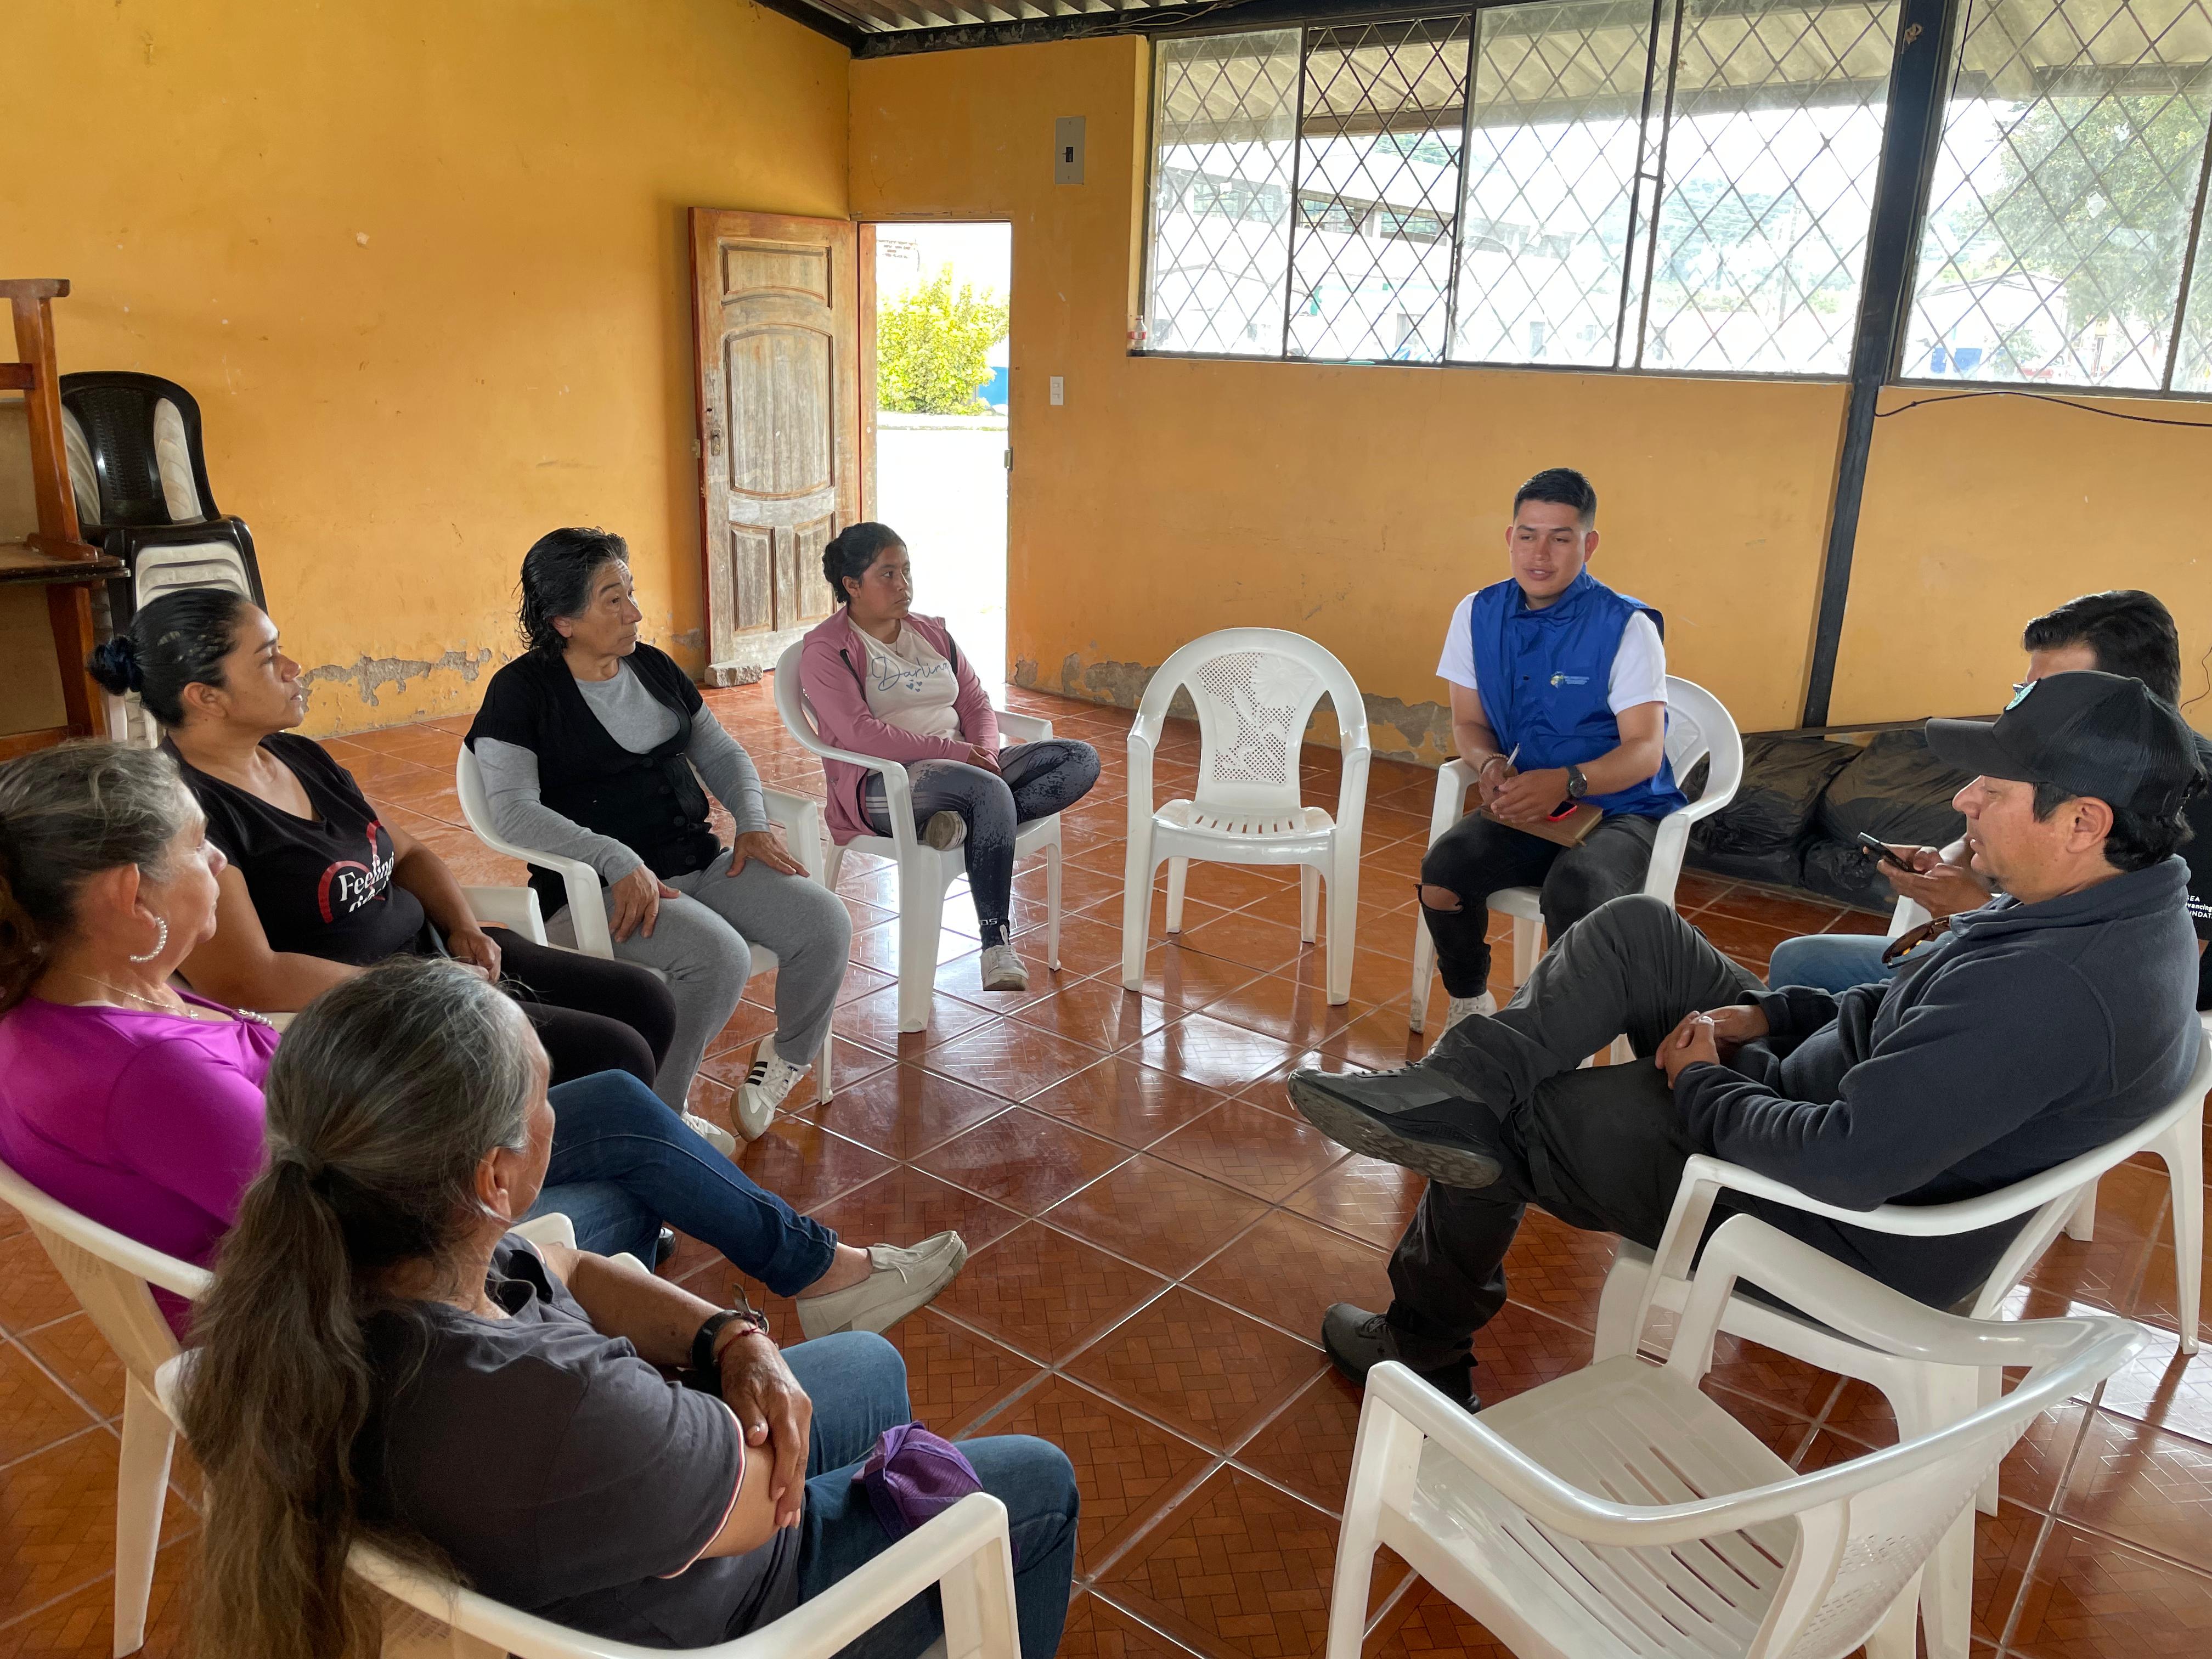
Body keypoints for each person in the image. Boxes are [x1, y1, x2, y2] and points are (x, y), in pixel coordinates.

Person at [1284, 672, 2203, 1410]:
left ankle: (1423, 1346)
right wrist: (1769, 1013)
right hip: (1810, 1095)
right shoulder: (2103, 904)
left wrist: (1701, 1085)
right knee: (1637, 931)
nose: (1963, 799)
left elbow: (1842, 1162)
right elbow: (1904, 1005)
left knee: (1514, 1122)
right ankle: (1459, 1081)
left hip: (1816, 1213)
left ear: (2083, 822)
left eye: (1993, 791)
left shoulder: (2053, 989)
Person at [176, 960, 1077, 1659]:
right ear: (493, 1177)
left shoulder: (345, 1266)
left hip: (597, 1558)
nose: (556, 1114)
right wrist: (720, 1389)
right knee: (1035, 1485)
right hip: (723, 1615)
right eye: (542, 1097)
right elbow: (760, 1506)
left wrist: (730, 1337)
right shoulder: (552, 1400)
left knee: (869, 1366)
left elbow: (569, 1259)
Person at [0, 742, 966, 1342]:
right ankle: (697, 1344)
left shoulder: (90, 996)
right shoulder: (146, 1071)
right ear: (128, 895)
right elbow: (346, 1236)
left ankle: (813, 1273)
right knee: (636, 1195)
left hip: (348, 1201)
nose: (218, 862)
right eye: (196, 848)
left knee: (620, 1107)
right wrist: (473, 1152)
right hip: (342, 1311)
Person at [86, 588, 679, 1092]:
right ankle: (562, 1164)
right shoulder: (187, 816)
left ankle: (627, 1138)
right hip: (372, 1016)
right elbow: (247, 977)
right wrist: (417, 986)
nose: (293, 667)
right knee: (613, 1052)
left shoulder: (297, 757)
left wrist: (463, 927)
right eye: (268, 659)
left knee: (644, 1000)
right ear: (206, 697)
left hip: (434, 958)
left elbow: (409, 852)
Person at [467, 528, 855, 1145]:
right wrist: (614, 858)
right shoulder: (521, 693)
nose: (635, 613)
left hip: (696, 862)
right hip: (598, 894)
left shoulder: (650, 666)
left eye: (631, 593)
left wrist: (752, 821)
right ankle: (660, 1119)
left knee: (824, 922)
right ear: (564, 621)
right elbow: (512, 812)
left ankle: (784, 1059)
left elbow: (721, 753)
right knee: (719, 959)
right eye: (613, 600)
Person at [1767, 590, 2212, 1009]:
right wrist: (1948, 866)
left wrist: (1971, 910)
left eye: (2051, 694)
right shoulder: (2051, 750)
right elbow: (1975, 839)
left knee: (1811, 979)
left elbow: (2151, 978)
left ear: (2128, 701)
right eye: (2025, 691)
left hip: (2050, 982)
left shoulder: (2188, 795)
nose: (2027, 709)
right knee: (1803, 969)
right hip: (2005, 937)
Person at [1419, 467, 1685, 1032]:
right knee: (1443, 876)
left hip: (1621, 807)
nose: (1540, 554)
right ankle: (1471, 1004)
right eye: (1528, 535)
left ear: (1589, 544)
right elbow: (1468, 723)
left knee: (1576, 891)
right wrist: (1490, 763)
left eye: (1560, 538)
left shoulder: (1627, 626)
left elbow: (1645, 750)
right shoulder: (1477, 613)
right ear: (1510, 537)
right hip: (1530, 800)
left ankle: (1557, 1037)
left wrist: (1568, 781)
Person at [799, 523, 1100, 993]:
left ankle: (963, 823)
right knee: (988, 791)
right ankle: (996, 943)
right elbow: (862, 734)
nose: (904, 585)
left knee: (1079, 759)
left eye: (907, 571)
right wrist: (959, 754)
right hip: (886, 784)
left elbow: (976, 703)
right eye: (888, 575)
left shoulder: (931, 632)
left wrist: (986, 753)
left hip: (968, 772)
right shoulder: (827, 649)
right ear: (852, 585)